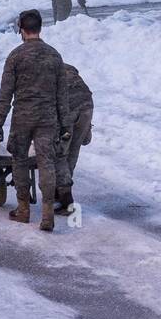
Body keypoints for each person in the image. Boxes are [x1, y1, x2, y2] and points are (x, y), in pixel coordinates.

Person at [0, 9, 70, 231]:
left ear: (21, 30)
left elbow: (6, 92)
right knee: (46, 162)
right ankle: (47, 215)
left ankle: (23, 209)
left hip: (23, 117)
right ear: (40, 28)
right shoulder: (54, 56)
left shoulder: (15, 56)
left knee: (19, 160)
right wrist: (64, 124)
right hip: (48, 119)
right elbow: (61, 94)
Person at [55, 64, 94, 215]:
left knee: (60, 154)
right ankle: (61, 192)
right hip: (87, 106)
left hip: (68, 108)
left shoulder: (41, 72)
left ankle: (65, 199)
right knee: (73, 150)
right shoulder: (68, 68)